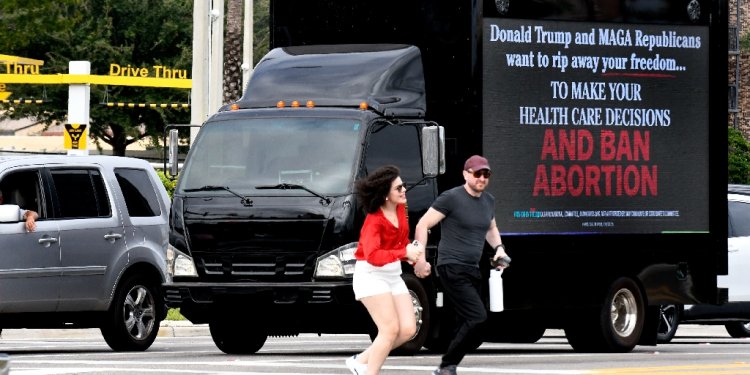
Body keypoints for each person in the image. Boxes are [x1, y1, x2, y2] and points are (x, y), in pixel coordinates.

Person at [414, 155, 510, 375]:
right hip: (451, 266)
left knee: (474, 325)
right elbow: (423, 224)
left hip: (472, 268)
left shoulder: (489, 201)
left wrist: (499, 249)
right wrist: (420, 259)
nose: (482, 178)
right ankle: (447, 366)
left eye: (486, 174)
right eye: (477, 174)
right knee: (477, 317)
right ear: (466, 174)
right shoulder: (451, 198)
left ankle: (448, 364)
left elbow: (490, 229)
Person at [346, 165, 424, 375]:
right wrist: (404, 253)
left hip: (392, 274)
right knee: (389, 330)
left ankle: (360, 361)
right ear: (385, 194)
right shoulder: (374, 221)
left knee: (408, 329)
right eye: (399, 188)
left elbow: (401, 242)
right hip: (371, 275)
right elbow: (372, 256)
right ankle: (369, 371)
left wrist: (413, 254)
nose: (404, 190)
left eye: (404, 186)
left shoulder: (401, 209)